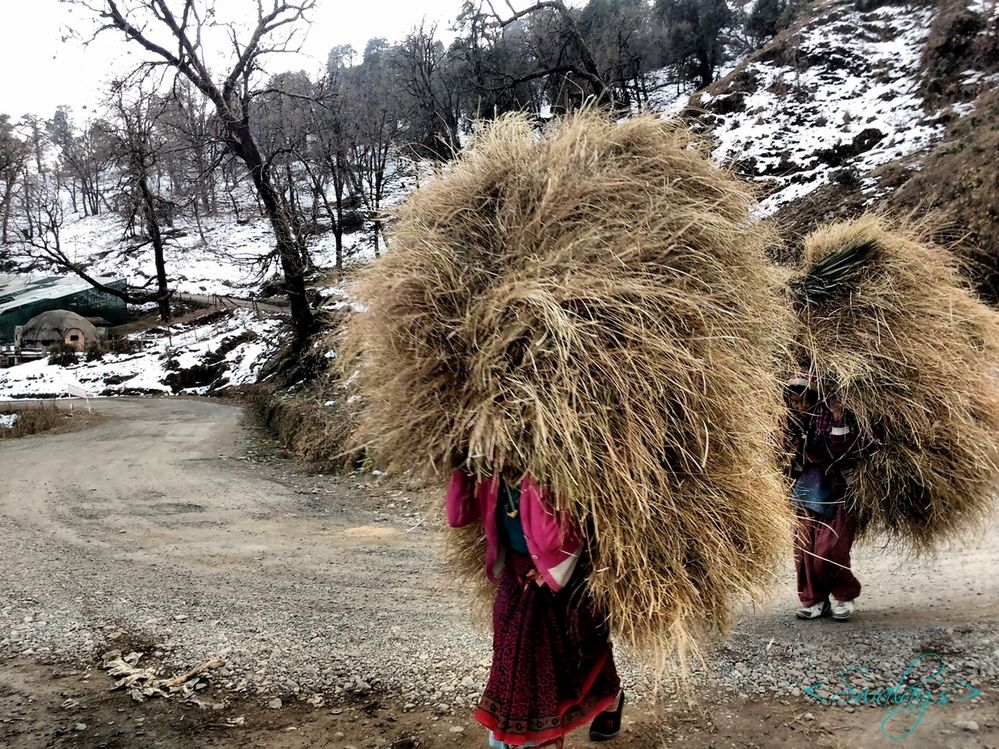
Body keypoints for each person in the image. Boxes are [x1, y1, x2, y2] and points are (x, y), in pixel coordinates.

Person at [446, 466, 624, 748]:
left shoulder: (551, 468)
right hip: (516, 574)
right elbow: (457, 517)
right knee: (513, 653)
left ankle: (610, 698)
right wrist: (460, 466)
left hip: (563, 575)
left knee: (577, 654)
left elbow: (568, 532)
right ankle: (518, 737)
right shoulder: (485, 471)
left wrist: (537, 482)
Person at [785, 371, 863, 622]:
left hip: (838, 488)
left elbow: (845, 451)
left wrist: (838, 416)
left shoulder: (833, 415)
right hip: (805, 489)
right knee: (804, 549)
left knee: (830, 548)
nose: (799, 406)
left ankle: (843, 595)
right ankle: (814, 600)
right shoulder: (790, 419)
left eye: (803, 401)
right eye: (794, 401)